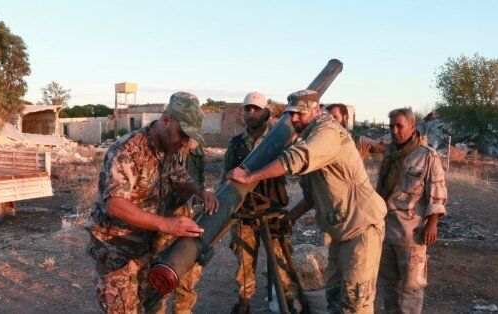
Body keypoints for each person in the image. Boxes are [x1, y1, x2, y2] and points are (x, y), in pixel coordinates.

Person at [226, 89, 387, 313]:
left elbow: (298, 158)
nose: (293, 119)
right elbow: (311, 196)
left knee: (355, 302)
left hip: (361, 228)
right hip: (341, 231)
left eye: (299, 114)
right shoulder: (310, 136)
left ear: (316, 110)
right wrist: (290, 218)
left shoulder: (328, 133)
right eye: (291, 114)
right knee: (334, 296)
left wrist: (251, 176)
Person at [86, 91, 219, 313]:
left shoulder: (168, 148)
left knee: (150, 304)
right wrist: (167, 224)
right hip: (118, 248)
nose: (186, 142)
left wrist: (200, 192)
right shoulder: (127, 149)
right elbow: (115, 204)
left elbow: (180, 178)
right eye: (183, 134)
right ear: (166, 120)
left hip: (147, 246)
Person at [224, 92, 295, 313]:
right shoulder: (235, 144)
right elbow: (226, 175)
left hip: (273, 209)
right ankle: (244, 303)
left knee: (280, 259)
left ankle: (288, 301)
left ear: (266, 112)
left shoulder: (279, 138)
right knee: (244, 261)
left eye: (256, 109)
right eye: (248, 109)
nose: (251, 113)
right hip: (244, 211)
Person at [376, 107, 447, 314]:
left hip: (411, 234)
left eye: (400, 126)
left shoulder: (427, 156)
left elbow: (437, 191)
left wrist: (432, 222)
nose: (395, 131)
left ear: (413, 127)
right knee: (389, 287)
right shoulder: (390, 155)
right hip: (386, 232)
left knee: (411, 289)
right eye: (391, 127)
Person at [151, 138, 206, 314]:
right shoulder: (160, 146)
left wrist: (202, 195)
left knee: (188, 281)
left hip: (188, 217)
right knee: (158, 285)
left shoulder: (197, 148)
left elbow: (196, 181)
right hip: (159, 223)